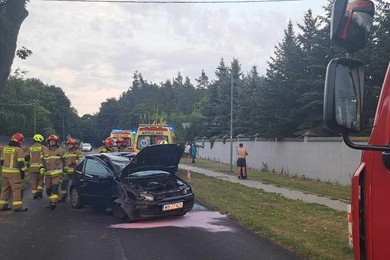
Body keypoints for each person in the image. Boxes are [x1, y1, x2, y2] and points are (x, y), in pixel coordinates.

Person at [0, 133, 28, 212]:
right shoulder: (18, 150)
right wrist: (23, 172)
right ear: (19, 141)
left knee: (5, 189)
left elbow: (1, 161)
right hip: (14, 173)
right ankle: (17, 206)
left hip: (4, 172)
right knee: (16, 189)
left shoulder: (5, 148)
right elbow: (21, 163)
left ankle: (3, 205)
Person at [40, 134, 65, 209]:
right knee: (48, 190)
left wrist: (65, 169)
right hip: (47, 174)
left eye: (53, 141)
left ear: (56, 142)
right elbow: (41, 161)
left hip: (57, 174)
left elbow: (65, 161)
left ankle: (54, 202)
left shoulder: (61, 151)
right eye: (50, 141)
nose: (51, 142)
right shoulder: (44, 151)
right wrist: (41, 167)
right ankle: (51, 201)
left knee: (55, 188)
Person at [60, 138, 83, 202]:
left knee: (75, 185)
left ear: (74, 145)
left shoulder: (78, 152)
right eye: (69, 144)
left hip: (74, 172)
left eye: (71, 144)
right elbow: (64, 160)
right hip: (66, 172)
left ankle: (76, 198)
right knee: (64, 184)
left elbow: (81, 160)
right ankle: (63, 197)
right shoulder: (66, 152)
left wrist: (73, 162)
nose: (69, 146)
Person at [27, 134, 47, 199]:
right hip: (40, 167)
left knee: (34, 181)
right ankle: (39, 192)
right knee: (41, 180)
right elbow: (47, 156)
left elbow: (26, 157)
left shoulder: (30, 148)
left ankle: (34, 194)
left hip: (32, 167)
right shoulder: (43, 147)